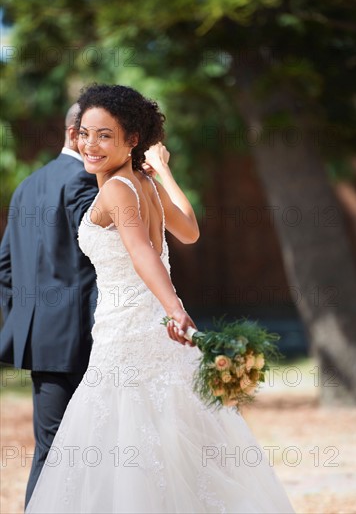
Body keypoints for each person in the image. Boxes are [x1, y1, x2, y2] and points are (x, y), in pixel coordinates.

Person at [25, 84, 294, 513]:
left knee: (121, 439)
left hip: (131, 334)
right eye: (84, 133)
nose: (89, 144)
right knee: (171, 437)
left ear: (133, 139)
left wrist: (176, 310)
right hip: (153, 329)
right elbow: (189, 229)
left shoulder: (117, 189)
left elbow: (142, 252)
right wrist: (164, 172)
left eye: (104, 135)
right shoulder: (143, 184)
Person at [0, 105, 99, 508]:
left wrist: (26, 321)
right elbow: (99, 260)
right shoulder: (84, 182)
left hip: (42, 342)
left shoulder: (27, 184)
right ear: (77, 133)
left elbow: (5, 266)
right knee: (88, 448)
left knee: (51, 448)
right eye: (97, 133)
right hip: (81, 340)